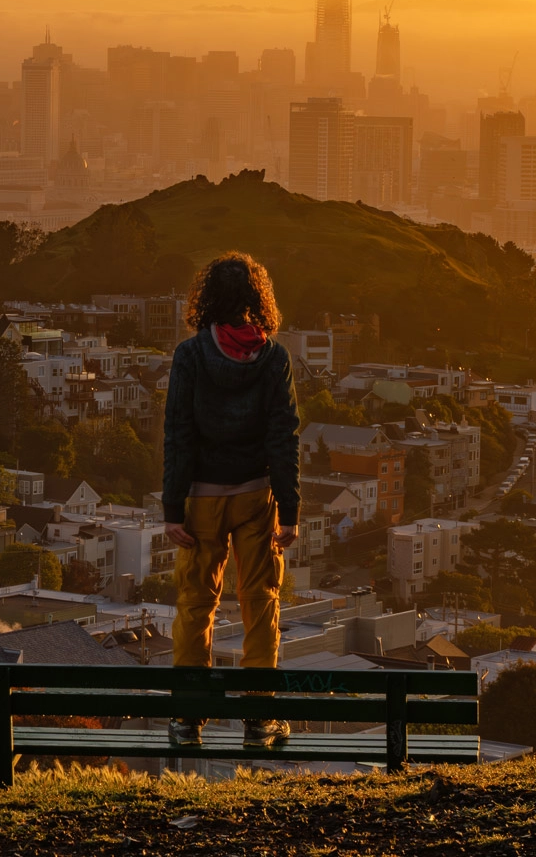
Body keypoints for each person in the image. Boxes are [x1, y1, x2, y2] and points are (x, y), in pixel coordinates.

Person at [161, 251, 300, 746]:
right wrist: (290, 509)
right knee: (260, 602)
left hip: (200, 499)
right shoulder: (274, 357)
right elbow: (283, 437)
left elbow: (178, 432)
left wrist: (172, 507)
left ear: (207, 298)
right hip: (256, 497)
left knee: (196, 603)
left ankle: (186, 718)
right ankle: (260, 719)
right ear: (257, 299)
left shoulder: (191, 355)